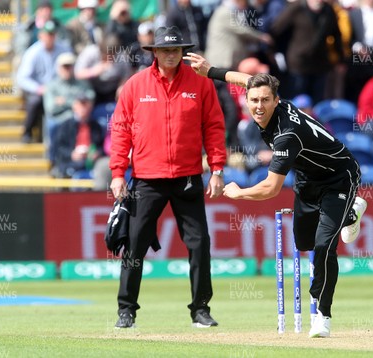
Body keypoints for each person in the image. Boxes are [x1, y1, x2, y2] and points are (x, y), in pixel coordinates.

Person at [184, 52, 368, 338]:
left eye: (264, 101)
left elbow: (270, 189)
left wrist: (238, 193)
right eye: (254, 100)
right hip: (308, 178)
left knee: (322, 247)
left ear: (276, 101)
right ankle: (351, 214)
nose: (258, 106)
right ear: (246, 100)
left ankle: (323, 314)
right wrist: (211, 72)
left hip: (339, 177)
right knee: (304, 241)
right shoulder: (261, 94)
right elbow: (248, 80)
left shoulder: (286, 134)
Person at [109, 27, 226, 329]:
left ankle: (200, 309)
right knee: (134, 246)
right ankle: (126, 310)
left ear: (183, 52)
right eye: (165, 50)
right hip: (147, 178)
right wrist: (117, 173)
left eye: (176, 50)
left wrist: (217, 169)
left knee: (199, 244)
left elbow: (214, 126)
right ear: (155, 52)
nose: (171, 54)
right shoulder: (135, 85)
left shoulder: (201, 84)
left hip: (187, 177)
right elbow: (120, 130)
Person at [16, 20, 72, 143]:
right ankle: (27, 131)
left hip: (61, 89)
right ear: (40, 35)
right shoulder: (33, 52)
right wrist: (38, 89)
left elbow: (73, 69)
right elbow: (22, 78)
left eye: (52, 34)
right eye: (47, 34)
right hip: (40, 89)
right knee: (34, 102)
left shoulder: (63, 49)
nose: (50, 38)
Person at [43, 52, 95, 163]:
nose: (67, 69)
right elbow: (51, 108)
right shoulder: (52, 85)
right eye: (64, 66)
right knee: (53, 126)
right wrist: (73, 103)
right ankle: (53, 159)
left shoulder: (82, 84)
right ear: (58, 68)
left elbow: (90, 99)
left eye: (70, 66)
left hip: (78, 117)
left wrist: (63, 102)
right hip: (59, 118)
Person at [52, 94, 105, 180]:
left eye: (86, 105)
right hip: (70, 162)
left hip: (91, 162)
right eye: (81, 105)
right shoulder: (65, 126)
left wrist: (96, 153)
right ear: (74, 107)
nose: (83, 108)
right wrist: (71, 154)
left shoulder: (96, 126)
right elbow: (58, 148)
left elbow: (101, 146)